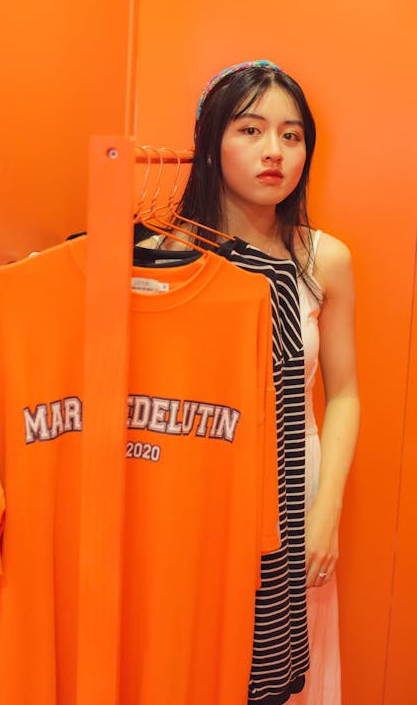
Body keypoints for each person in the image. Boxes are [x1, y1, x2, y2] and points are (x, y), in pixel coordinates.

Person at [142, 60, 360, 704]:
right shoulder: (162, 256)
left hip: (298, 485)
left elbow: (344, 391)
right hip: (197, 488)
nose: (275, 151)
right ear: (209, 145)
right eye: (251, 129)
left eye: (292, 136)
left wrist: (327, 511)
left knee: (282, 667)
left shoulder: (324, 258)